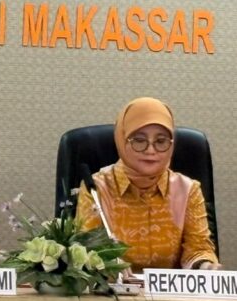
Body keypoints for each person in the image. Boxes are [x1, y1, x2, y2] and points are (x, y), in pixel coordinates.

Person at [77, 97, 219, 272]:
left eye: (160, 141)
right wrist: (107, 264)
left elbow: (198, 249)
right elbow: (85, 250)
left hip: (170, 289)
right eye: (139, 140)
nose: (150, 150)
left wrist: (204, 266)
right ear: (122, 139)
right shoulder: (96, 188)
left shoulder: (189, 190)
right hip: (114, 288)